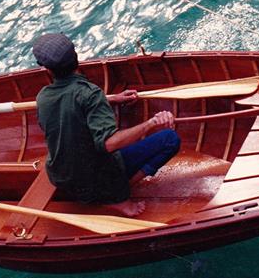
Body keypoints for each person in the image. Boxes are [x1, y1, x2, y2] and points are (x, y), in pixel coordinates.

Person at [33, 33, 181, 216]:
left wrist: (109, 99)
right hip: (94, 181)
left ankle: (107, 192)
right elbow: (109, 143)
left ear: (47, 69)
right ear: (76, 58)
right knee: (170, 139)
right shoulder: (90, 94)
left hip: (61, 177)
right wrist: (151, 123)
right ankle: (118, 198)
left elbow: (70, 109)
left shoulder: (42, 97)